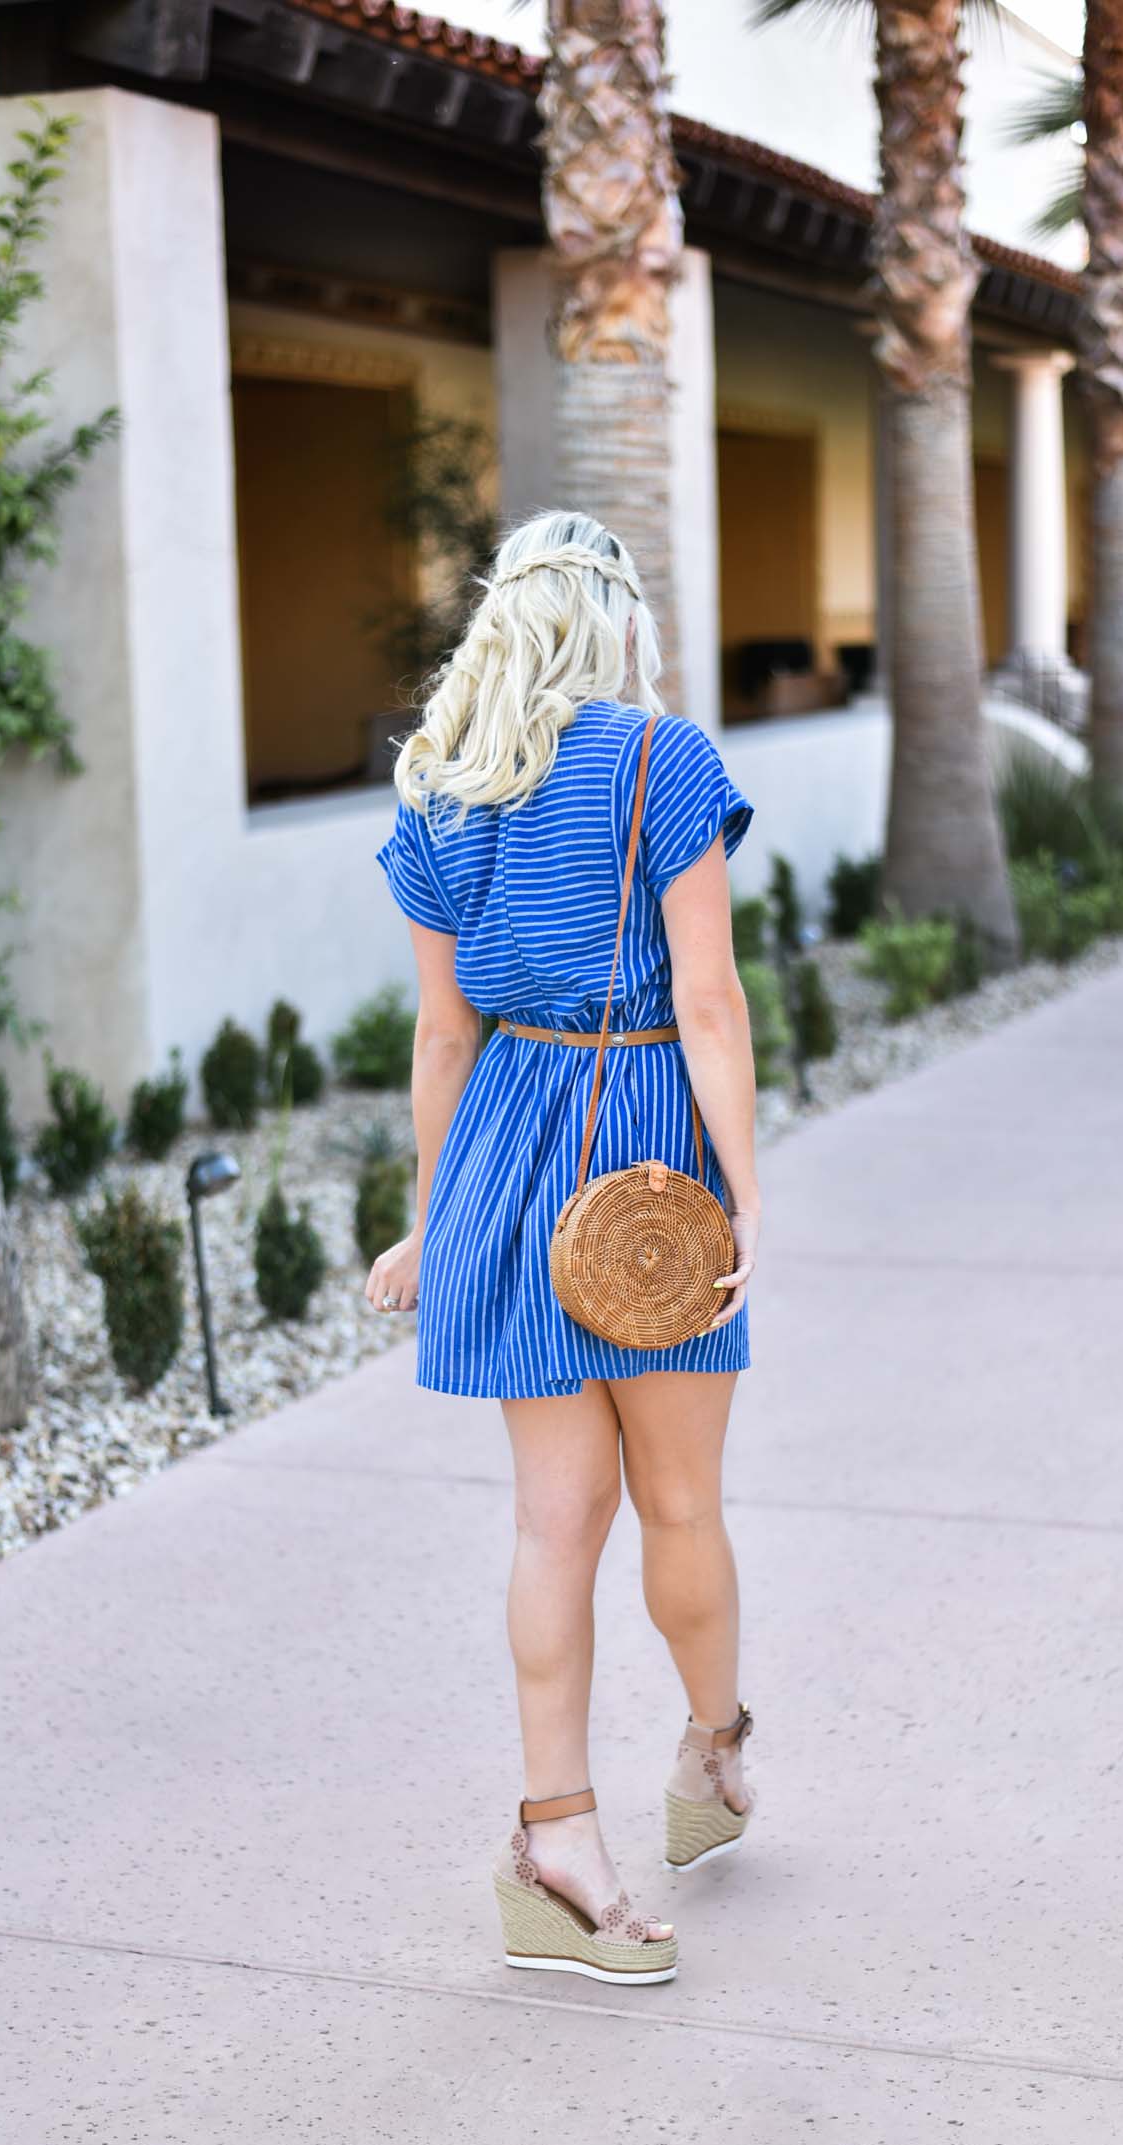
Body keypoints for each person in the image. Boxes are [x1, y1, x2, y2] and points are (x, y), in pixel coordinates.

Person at [366, 510, 760, 1987]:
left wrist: (429, 1218)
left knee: (554, 1521)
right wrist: (750, 1192)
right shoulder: (662, 763)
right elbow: (709, 1003)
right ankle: (712, 1753)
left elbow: (441, 1034)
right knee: (679, 1499)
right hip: (649, 1163)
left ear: (504, 618)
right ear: (620, 622)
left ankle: (559, 1841)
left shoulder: (445, 791)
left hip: (508, 1168)